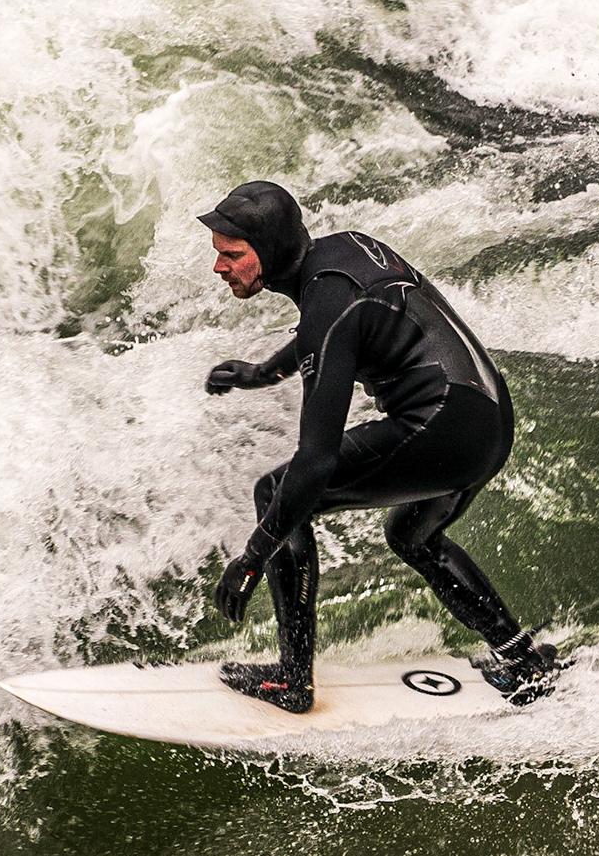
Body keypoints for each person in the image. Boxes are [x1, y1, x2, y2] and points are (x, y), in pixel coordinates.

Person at [198, 180, 557, 712]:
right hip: (488, 416)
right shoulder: (344, 250)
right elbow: (342, 323)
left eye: (232, 255)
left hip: (443, 424)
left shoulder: (326, 297)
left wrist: (251, 560)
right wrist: (263, 373)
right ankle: (520, 657)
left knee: (280, 491)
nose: (220, 268)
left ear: (268, 252)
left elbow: (315, 462)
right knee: (413, 535)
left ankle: (293, 680)